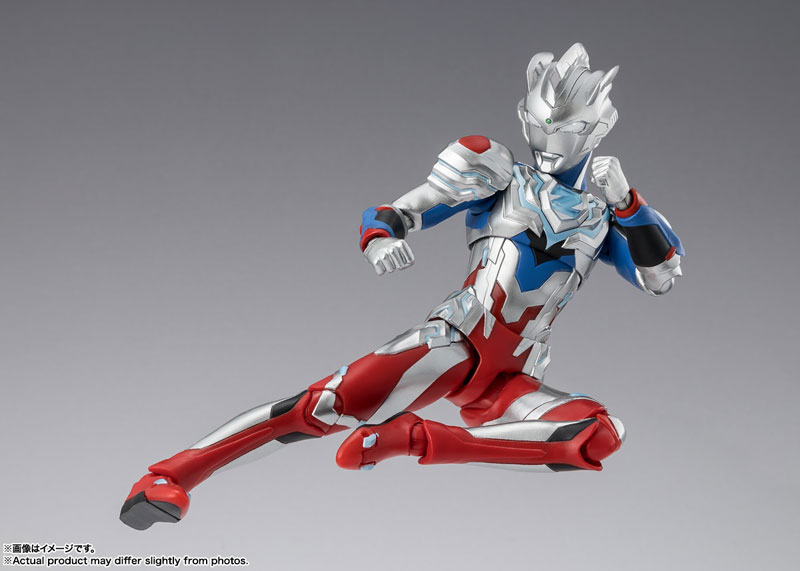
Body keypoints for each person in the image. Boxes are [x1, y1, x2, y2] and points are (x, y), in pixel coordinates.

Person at [120, 43, 683, 530]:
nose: (547, 140)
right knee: (327, 404)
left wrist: (628, 203)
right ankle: (168, 477)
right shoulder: (499, 173)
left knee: (598, 433)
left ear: (598, 129)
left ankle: (415, 439)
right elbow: (402, 210)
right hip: (456, 341)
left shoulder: (606, 219)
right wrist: (380, 238)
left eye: (565, 130)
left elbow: (660, 276)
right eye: (537, 125)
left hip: (514, 376)